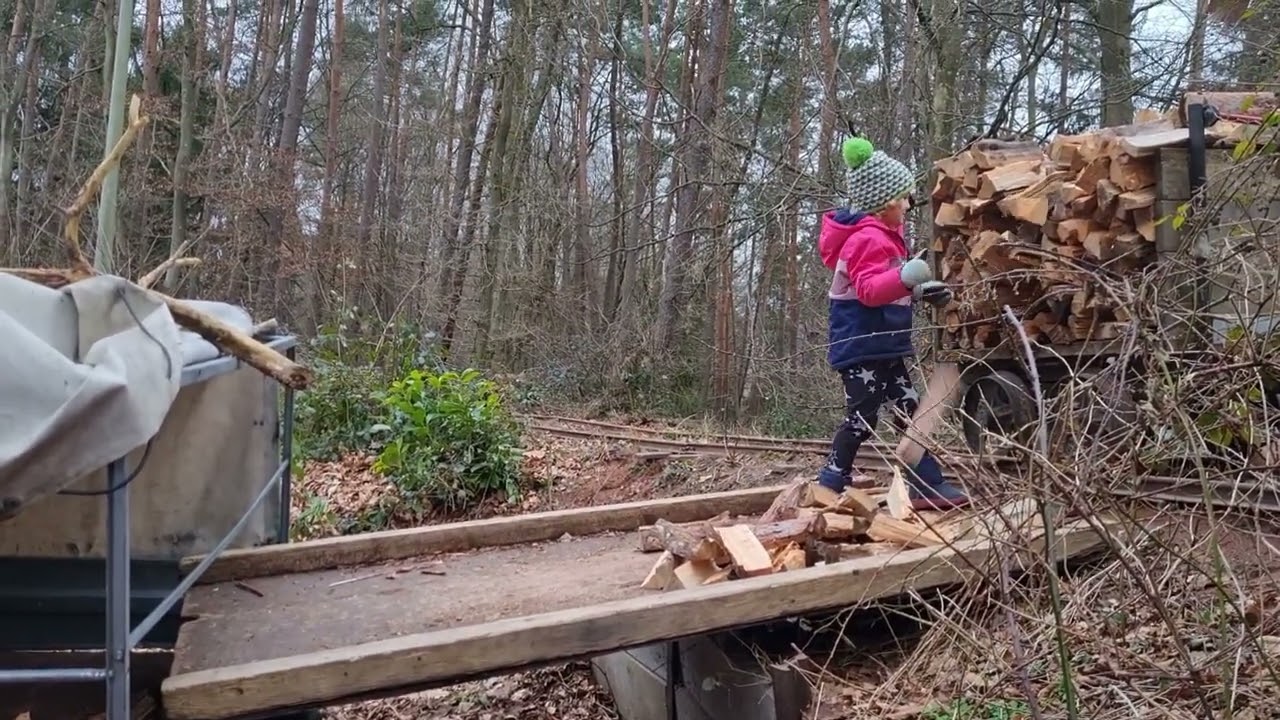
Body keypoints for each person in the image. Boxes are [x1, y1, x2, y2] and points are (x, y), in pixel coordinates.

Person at [815, 136, 970, 511]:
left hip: (883, 342)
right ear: (884, 204)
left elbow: (887, 289)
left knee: (908, 410)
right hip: (862, 345)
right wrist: (905, 278)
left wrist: (918, 291)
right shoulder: (866, 239)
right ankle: (831, 480)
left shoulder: (886, 236)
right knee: (863, 417)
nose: (908, 203)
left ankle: (925, 482)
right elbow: (868, 291)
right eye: (903, 197)